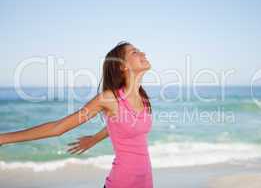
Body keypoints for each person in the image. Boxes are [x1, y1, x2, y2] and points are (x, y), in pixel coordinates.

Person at [0, 41, 153, 188]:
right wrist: (4, 138)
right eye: (135, 52)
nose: (143, 53)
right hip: (122, 183)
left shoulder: (143, 97)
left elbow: (122, 125)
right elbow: (58, 127)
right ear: (122, 66)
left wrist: (93, 139)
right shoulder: (108, 98)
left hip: (146, 182)